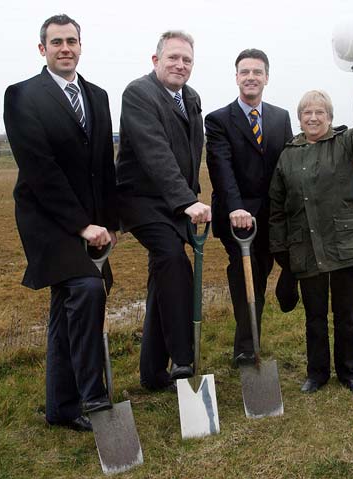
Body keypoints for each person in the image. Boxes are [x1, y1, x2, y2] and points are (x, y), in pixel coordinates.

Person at [3, 14, 118, 431]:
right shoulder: (21, 96)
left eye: (71, 40)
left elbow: (104, 164)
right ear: (42, 49)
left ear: (80, 46)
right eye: (56, 42)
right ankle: (94, 397)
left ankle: (60, 407)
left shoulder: (99, 96)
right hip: (47, 220)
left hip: (90, 221)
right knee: (87, 289)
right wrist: (81, 226)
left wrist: (109, 222)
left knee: (66, 305)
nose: (65, 48)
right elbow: (40, 169)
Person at [269, 59, 353, 393]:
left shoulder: (348, 145)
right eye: (307, 112)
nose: (314, 117)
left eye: (320, 112)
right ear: (300, 117)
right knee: (315, 316)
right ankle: (317, 373)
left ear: (330, 118)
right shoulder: (288, 155)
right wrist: (282, 255)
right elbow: (277, 208)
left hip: (347, 245)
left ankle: (348, 372)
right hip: (306, 247)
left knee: (347, 314)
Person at [115, 31, 210, 391]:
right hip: (141, 199)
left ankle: (153, 374)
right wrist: (186, 201)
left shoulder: (192, 97)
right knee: (172, 259)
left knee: (163, 277)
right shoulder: (139, 94)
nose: (180, 65)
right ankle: (183, 359)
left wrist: (190, 195)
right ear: (156, 61)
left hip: (176, 201)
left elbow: (191, 151)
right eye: (173, 58)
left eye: (186, 60)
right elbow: (155, 153)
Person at [205, 49, 296, 366]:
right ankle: (246, 347)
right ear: (236, 77)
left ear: (266, 78)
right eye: (245, 72)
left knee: (269, 269)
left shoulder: (281, 117)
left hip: (272, 216)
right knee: (246, 275)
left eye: (257, 72)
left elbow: (287, 166)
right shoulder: (218, 120)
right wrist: (235, 208)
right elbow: (221, 168)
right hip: (238, 217)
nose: (251, 77)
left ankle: (287, 284)